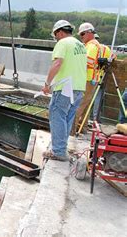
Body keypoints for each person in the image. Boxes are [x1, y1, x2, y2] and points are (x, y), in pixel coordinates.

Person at [42, 20, 86, 161]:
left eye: (56, 36)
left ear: (60, 32)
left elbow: (58, 63)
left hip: (66, 87)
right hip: (78, 88)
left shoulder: (63, 43)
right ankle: (61, 147)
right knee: (67, 117)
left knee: (57, 114)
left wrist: (47, 83)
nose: (56, 39)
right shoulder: (80, 45)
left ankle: (59, 151)